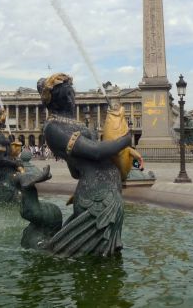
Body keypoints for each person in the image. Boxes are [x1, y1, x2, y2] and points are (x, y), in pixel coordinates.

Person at [39, 73, 132, 257]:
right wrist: (124, 140)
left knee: (104, 259)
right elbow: (95, 152)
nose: (74, 98)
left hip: (104, 196)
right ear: (66, 97)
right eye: (72, 94)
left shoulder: (72, 124)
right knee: (95, 261)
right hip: (96, 199)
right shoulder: (53, 128)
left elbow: (75, 171)